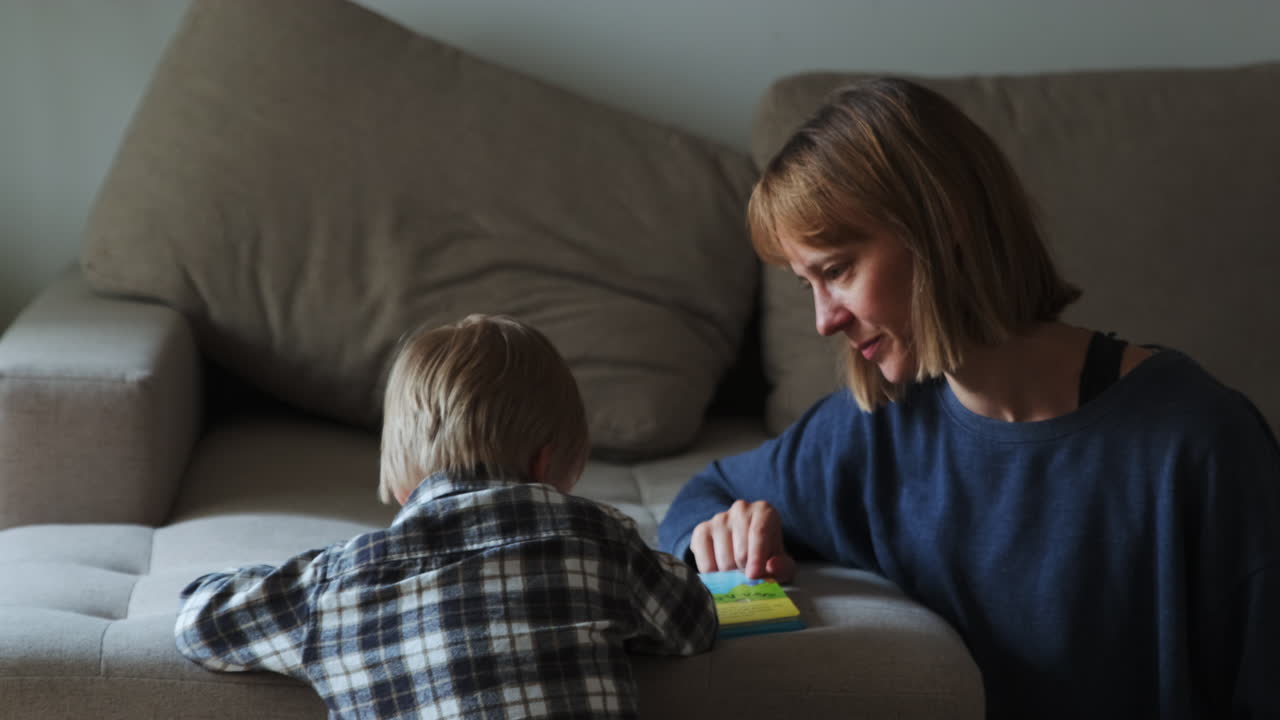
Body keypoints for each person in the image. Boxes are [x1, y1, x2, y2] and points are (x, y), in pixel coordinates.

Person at [658, 78, 1280, 718]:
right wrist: (723, 536)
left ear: (942, 220)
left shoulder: (1200, 444)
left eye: (838, 270)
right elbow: (701, 495)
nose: (824, 321)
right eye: (807, 284)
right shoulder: (873, 432)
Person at [175, 314, 718, 719]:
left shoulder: (335, 586)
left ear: (402, 481)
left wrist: (243, 583)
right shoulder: (597, 538)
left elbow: (202, 623)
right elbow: (693, 622)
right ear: (547, 463)